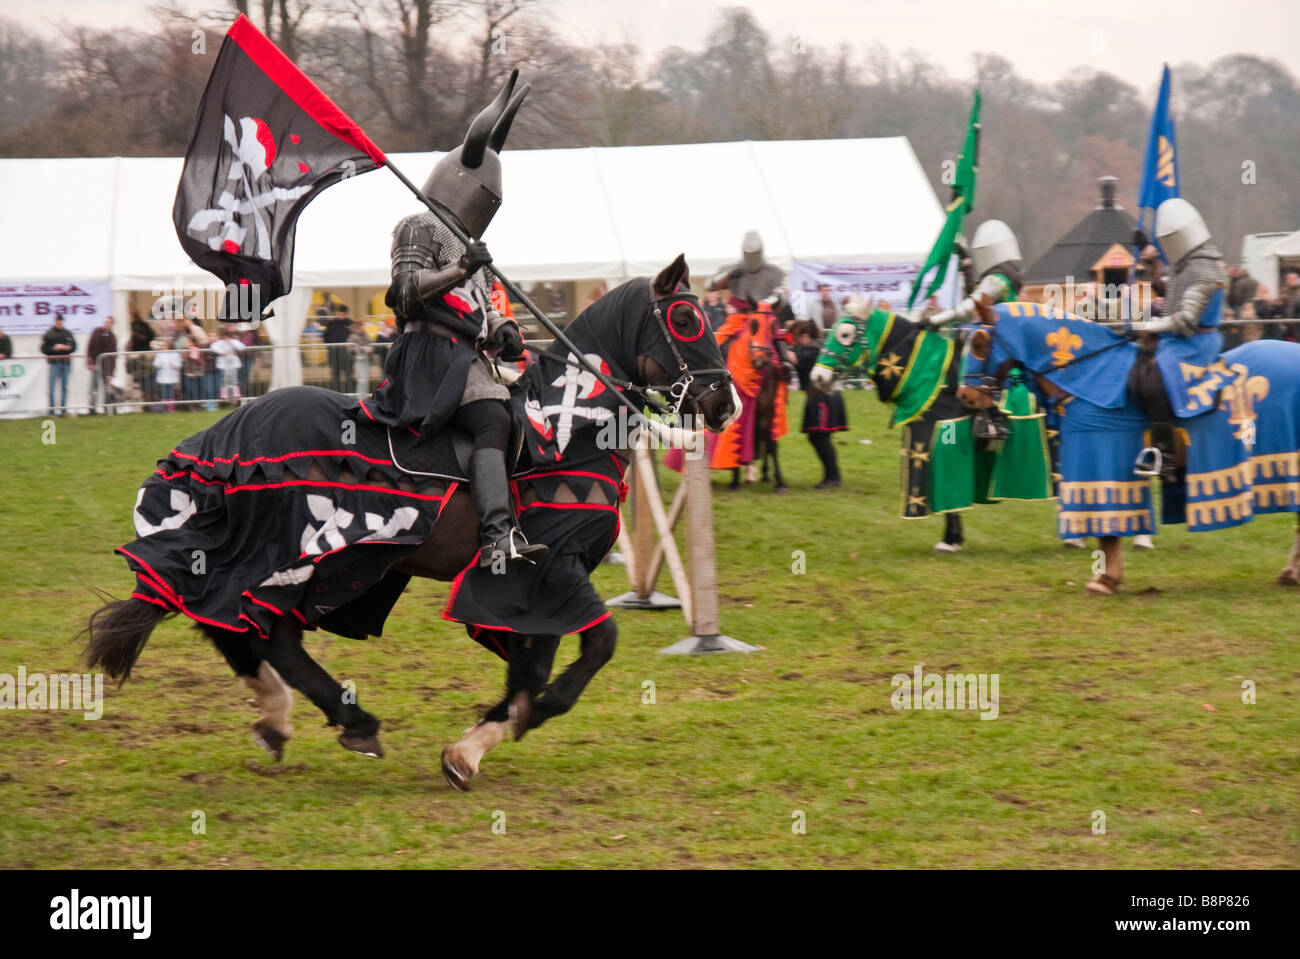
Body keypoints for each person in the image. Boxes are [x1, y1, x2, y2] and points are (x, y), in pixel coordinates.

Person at [370, 70, 545, 568]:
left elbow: (484, 309)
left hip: (465, 357)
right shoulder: (417, 226)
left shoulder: (472, 247)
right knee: (491, 416)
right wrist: (458, 267)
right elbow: (404, 295)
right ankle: (496, 538)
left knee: (521, 410)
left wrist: (503, 331)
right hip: (428, 356)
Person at [923, 220, 1024, 327]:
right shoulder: (1006, 278)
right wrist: (967, 270)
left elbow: (969, 308)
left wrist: (932, 320)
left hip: (999, 335)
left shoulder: (997, 280)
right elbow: (976, 294)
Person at [792, 320, 846, 487]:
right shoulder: (814, 347)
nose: (796, 341)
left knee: (821, 438)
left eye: (798, 337)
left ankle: (833, 477)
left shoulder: (814, 350)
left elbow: (793, 358)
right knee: (816, 438)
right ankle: (831, 475)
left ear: (806, 336)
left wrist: (777, 343)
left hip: (824, 398)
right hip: (819, 397)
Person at [707, 231, 786, 307]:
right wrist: (728, 275)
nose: (752, 258)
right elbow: (709, 286)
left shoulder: (775, 272)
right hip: (738, 315)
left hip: (764, 313)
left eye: (755, 253)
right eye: (749, 254)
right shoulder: (733, 269)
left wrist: (765, 303)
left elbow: (783, 297)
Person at [41, 313, 76, 416]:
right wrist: (53, 348)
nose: (60, 324)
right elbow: (43, 349)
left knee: (64, 387)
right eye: (58, 322)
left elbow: (74, 347)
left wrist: (65, 348)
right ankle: (52, 410)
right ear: (55, 322)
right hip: (54, 363)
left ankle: (63, 410)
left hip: (65, 363)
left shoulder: (68, 333)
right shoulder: (49, 334)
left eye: (61, 322)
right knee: (51, 388)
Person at [86, 315, 117, 414]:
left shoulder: (112, 337)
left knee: (106, 388)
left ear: (112, 325)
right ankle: (92, 409)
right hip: (95, 364)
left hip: (106, 366)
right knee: (94, 388)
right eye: (106, 322)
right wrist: (89, 363)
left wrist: (110, 373)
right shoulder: (96, 332)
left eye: (109, 323)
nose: (107, 324)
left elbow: (113, 356)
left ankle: (106, 408)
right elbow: (90, 348)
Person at [209, 325, 245, 405]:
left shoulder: (234, 341)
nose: (226, 338)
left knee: (233, 380)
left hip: (233, 363)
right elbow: (213, 347)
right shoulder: (219, 343)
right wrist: (222, 352)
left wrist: (232, 343)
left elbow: (242, 347)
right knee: (224, 380)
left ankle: (234, 395)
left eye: (228, 336)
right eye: (225, 337)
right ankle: (225, 395)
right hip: (223, 364)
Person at [324, 304, 354, 392]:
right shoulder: (331, 324)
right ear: (337, 313)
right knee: (335, 375)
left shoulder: (351, 323)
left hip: (347, 354)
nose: (341, 316)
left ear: (346, 314)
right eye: (339, 314)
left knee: (349, 374)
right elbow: (326, 337)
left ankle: (350, 392)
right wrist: (332, 346)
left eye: (343, 314)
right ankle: (335, 393)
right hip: (334, 353)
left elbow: (354, 336)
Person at [153, 338, 182, 412]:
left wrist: (173, 363)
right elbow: (156, 364)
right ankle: (164, 408)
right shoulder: (160, 354)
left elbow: (178, 365)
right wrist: (160, 362)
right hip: (163, 376)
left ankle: (171, 408)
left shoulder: (175, 354)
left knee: (171, 392)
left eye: (165, 346)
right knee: (164, 392)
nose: (163, 347)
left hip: (171, 376)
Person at [348, 319, 372, 396]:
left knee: (365, 380)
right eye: (363, 325)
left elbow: (371, 345)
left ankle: (363, 397)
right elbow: (350, 348)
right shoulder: (353, 336)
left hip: (367, 360)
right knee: (361, 380)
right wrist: (362, 348)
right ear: (359, 326)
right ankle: (360, 398)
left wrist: (371, 348)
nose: (364, 327)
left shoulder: (367, 335)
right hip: (358, 360)